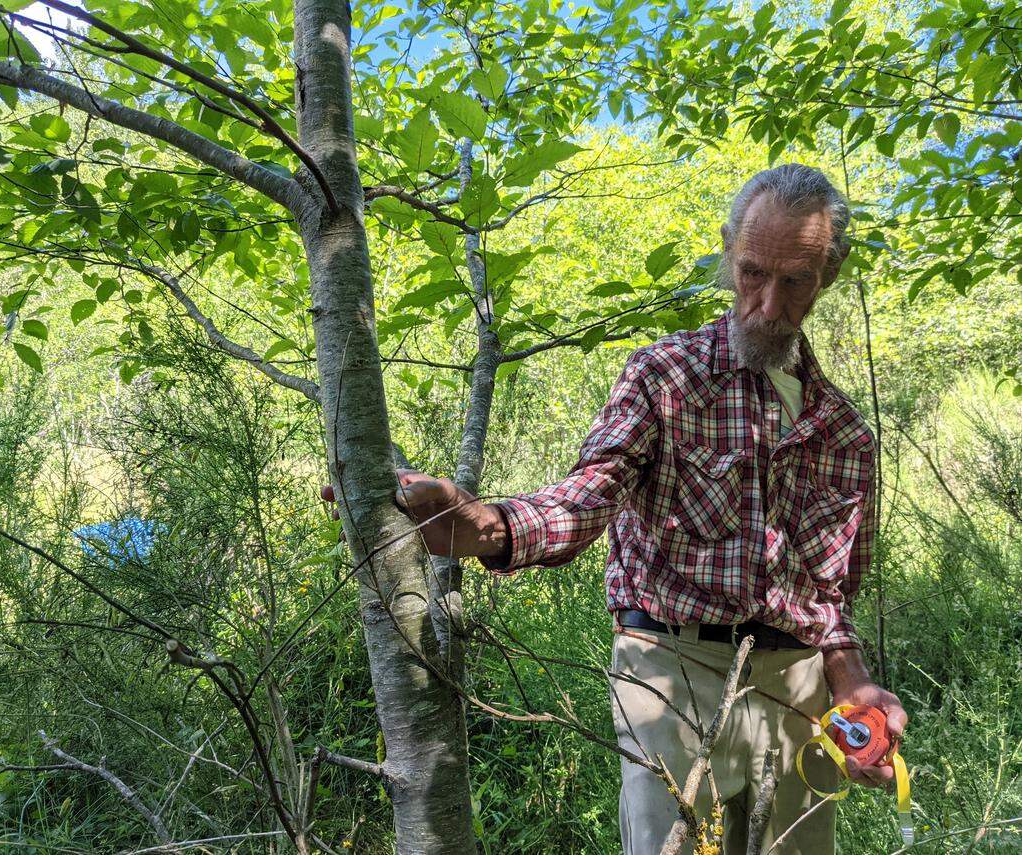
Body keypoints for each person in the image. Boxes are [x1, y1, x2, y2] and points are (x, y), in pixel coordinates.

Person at [323, 163, 907, 853]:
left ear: (828, 275)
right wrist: (488, 526)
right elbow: (589, 494)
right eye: (752, 273)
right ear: (728, 252)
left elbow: (829, 596)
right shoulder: (664, 377)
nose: (768, 304)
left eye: (795, 281)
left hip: (797, 685)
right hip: (671, 668)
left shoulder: (845, 434)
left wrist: (856, 682)